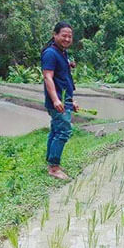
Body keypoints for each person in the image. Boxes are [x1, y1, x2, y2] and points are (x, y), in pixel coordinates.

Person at [41, 21, 78, 180]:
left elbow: (64, 79)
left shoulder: (62, 52)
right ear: (55, 35)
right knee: (63, 131)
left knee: (56, 130)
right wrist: (56, 100)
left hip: (64, 100)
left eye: (70, 36)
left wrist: (71, 101)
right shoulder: (50, 53)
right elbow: (47, 77)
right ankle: (54, 168)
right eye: (64, 35)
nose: (67, 39)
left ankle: (51, 162)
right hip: (57, 101)